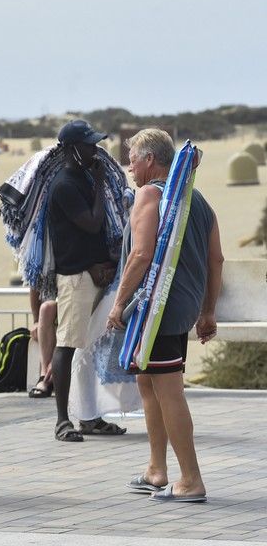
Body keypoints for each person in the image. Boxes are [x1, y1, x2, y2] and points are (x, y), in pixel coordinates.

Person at [107, 129, 222, 503]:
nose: (129, 166)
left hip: (156, 310)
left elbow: (140, 254)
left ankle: (191, 479)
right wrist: (207, 310)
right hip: (182, 307)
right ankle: (157, 470)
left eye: (132, 159)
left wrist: (117, 303)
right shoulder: (197, 201)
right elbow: (215, 259)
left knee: (169, 390)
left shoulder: (149, 194)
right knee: (149, 384)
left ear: (150, 160)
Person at [46, 120, 125, 442]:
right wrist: (100, 186)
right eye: (89, 145)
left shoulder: (82, 178)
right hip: (75, 278)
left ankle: (90, 417)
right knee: (67, 344)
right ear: (71, 149)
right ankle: (62, 420)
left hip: (93, 273)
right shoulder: (65, 184)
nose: (96, 150)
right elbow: (92, 224)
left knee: (89, 348)